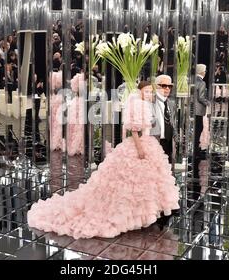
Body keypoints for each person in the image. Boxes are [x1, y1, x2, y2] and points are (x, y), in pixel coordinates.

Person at [28, 81, 180, 240]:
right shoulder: (138, 105)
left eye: (151, 92)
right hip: (140, 145)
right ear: (140, 92)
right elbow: (134, 131)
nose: (150, 94)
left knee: (148, 181)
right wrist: (140, 149)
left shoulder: (146, 105)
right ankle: (136, 213)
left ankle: (148, 211)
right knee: (133, 182)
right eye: (147, 92)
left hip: (148, 144)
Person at [154, 75, 175, 164]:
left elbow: (172, 122)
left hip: (169, 142)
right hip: (155, 142)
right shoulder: (151, 102)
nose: (167, 88)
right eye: (164, 86)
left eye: (169, 86)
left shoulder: (171, 103)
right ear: (156, 86)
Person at [195, 64, 210, 155]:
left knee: (196, 129)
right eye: (205, 70)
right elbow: (201, 97)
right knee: (199, 128)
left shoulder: (192, 81)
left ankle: (196, 148)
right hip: (199, 110)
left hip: (193, 109)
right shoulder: (201, 83)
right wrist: (208, 103)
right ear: (202, 71)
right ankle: (196, 150)